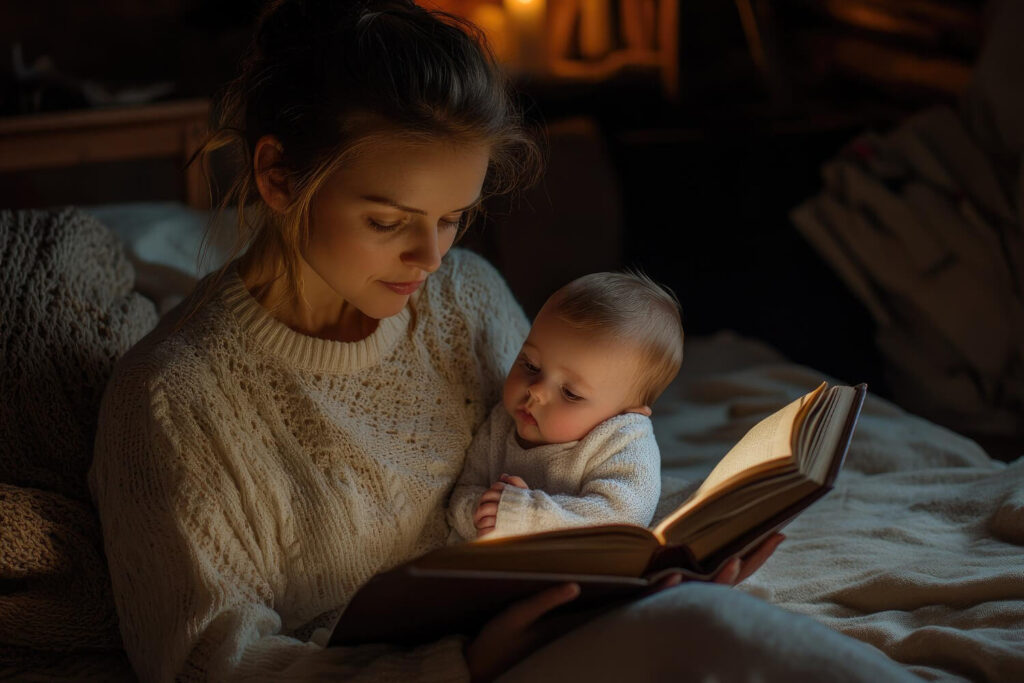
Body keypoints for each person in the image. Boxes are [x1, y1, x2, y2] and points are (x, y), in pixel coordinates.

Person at [88, 1, 783, 681]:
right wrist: (467, 664)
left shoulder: (468, 296)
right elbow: (209, 661)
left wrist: (668, 561)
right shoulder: (174, 401)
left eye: (453, 218)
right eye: (390, 222)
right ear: (278, 176)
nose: (430, 257)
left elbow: (571, 461)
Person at [447, 271, 682, 542]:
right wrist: (481, 514)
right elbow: (463, 492)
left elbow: (621, 518)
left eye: (570, 393)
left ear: (625, 415)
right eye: (531, 365)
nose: (535, 391)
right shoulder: (502, 422)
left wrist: (528, 516)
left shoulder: (623, 440)